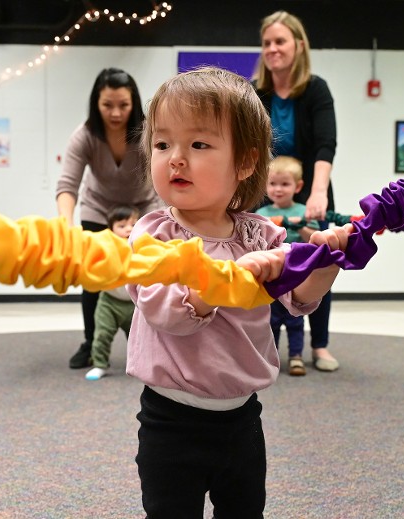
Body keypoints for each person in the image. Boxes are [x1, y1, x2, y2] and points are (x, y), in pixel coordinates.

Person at [127, 67, 350, 517]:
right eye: (162, 143)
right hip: (170, 421)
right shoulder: (154, 234)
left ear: (245, 163)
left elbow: (298, 297)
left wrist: (327, 262)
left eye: (199, 144)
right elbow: (164, 311)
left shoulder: (259, 233)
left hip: (242, 419)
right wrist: (228, 279)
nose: (175, 158)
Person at [55, 68, 162, 369]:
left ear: (134, 103)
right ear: (96, 103)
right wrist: (66, 224)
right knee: (93, 277)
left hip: (142, 209)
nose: (115, 113)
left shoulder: (147, 133)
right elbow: (67, 185)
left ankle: (154, 342)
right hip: (98, 210)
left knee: (148, 275)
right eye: (107, 105)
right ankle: (91, 342)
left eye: (123, 105)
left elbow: (165, 174)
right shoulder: (86, 135)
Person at [253, 10, 340, 372]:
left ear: (298, 46)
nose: (273, 49)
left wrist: (317, 194)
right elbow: (249, 148)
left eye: (281, 42)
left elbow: (325, 145)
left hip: (311, 188)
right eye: (268, 43)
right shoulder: (256, 92)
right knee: (263, 264)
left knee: (319, 261)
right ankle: (263, 342)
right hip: (264, 190)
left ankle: (319, 345)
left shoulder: (315, 89)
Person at [256, 155, 319, 376]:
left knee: (295, 319)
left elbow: (315, 239)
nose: (278, 189)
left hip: (296, 275)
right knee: (269, 319)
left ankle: (296, 357)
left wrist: (300, 225)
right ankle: (268, 358)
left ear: (298, 186)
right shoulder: (261, 215)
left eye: (285, 184)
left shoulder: (303, 212)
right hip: (271, 276)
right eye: (273, 184)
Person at [84, 204, 139, 381]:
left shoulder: (142, 246)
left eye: (133, 224)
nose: (128, 229)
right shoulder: (106, 247)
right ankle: (100, 364)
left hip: (135, 304)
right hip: (109, 301)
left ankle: (140, 366)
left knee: (139, 339)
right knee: (102, 334)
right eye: (122, 226)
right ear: (111, 229)